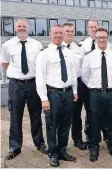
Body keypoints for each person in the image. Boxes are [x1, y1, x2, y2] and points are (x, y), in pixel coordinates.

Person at [0, 18, 48, 160]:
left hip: (33, 84)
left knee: (36, 116)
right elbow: (5, 63)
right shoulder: (7, 45)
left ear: (29, 28)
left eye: (24, 26)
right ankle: (15, 147)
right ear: (16, 29)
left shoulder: (37, 44)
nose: (21, 28)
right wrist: (17, 75)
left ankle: (39, 143)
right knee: (15, 117)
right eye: (19, 26)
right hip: (16, 85)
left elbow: (40, 65)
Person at [36, 24, 78, 167]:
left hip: (68, 93)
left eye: (61, 33)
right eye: (56, 33)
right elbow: (40, 77)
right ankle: (53, 154)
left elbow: (72, 73)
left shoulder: (68, 52)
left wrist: (75, 91)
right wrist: (44, 98)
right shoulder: (44, 54)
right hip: (53, 94)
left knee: (66, 125)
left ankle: (62, 151)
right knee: (52, 126)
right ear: (50, 34)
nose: (59, 35)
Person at [81, 27, 112, 162]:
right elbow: (85, 76)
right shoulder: (89, 56)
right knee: (94, 121)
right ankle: (93, 147)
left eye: (104, 37)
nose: (102, 39)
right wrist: (94, 87)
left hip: (111, 93)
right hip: (95, 93)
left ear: (107, 38)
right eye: (99, 37)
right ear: (95, 38)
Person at [80, 20, 109, 141]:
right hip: (89, 86)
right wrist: (89, 84)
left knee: (105, 112)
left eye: (95, 27)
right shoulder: (82, 45)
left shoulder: (108, 45)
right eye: (91, 27)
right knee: (90, 112)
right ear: (88, 29)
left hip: (104, 86)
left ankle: (106, 135)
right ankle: (89, 135)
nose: (93, 29)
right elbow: (83, 69)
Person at [62, 22, 87, 150]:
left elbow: (82, 67)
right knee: (63, 116)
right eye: (67, 31)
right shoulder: (57, 47)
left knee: (76, 115)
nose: (70, 33)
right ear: (62, 32)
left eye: (72, 31)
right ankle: (62, 142)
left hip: (77, 83)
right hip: (63, 86)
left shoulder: (79, 48)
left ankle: (77, 139)